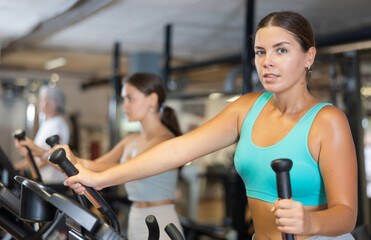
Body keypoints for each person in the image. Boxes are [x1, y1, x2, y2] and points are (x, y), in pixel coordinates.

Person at [62, 11, 357, 239]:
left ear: (309, 56)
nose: (267, 61)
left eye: (281, 50)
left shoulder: (327, 121)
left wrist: (310, 221)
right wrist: (101, 179)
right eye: (260, 51)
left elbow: (347, 214)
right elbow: (177, 150)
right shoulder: (246, 108)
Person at [57, 72, 183, 240]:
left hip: (161, 220)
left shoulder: (165, 140)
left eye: (130, 99)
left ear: (152, 100)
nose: (124, 105)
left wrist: (91, 173)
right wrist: (64, 158)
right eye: (124, 99)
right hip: (135, 217)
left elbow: (128, 169)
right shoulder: (131, 140)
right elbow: (93, 165)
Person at [14, 86, 70, 184]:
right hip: (43, 178)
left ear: (55, 103)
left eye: (43, 100)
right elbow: (37, 153)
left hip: (53, 181)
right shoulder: (46, 123)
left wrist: (29, 168)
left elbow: (52, 155)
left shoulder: (58, 125)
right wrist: (18, 166)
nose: (39, 103)